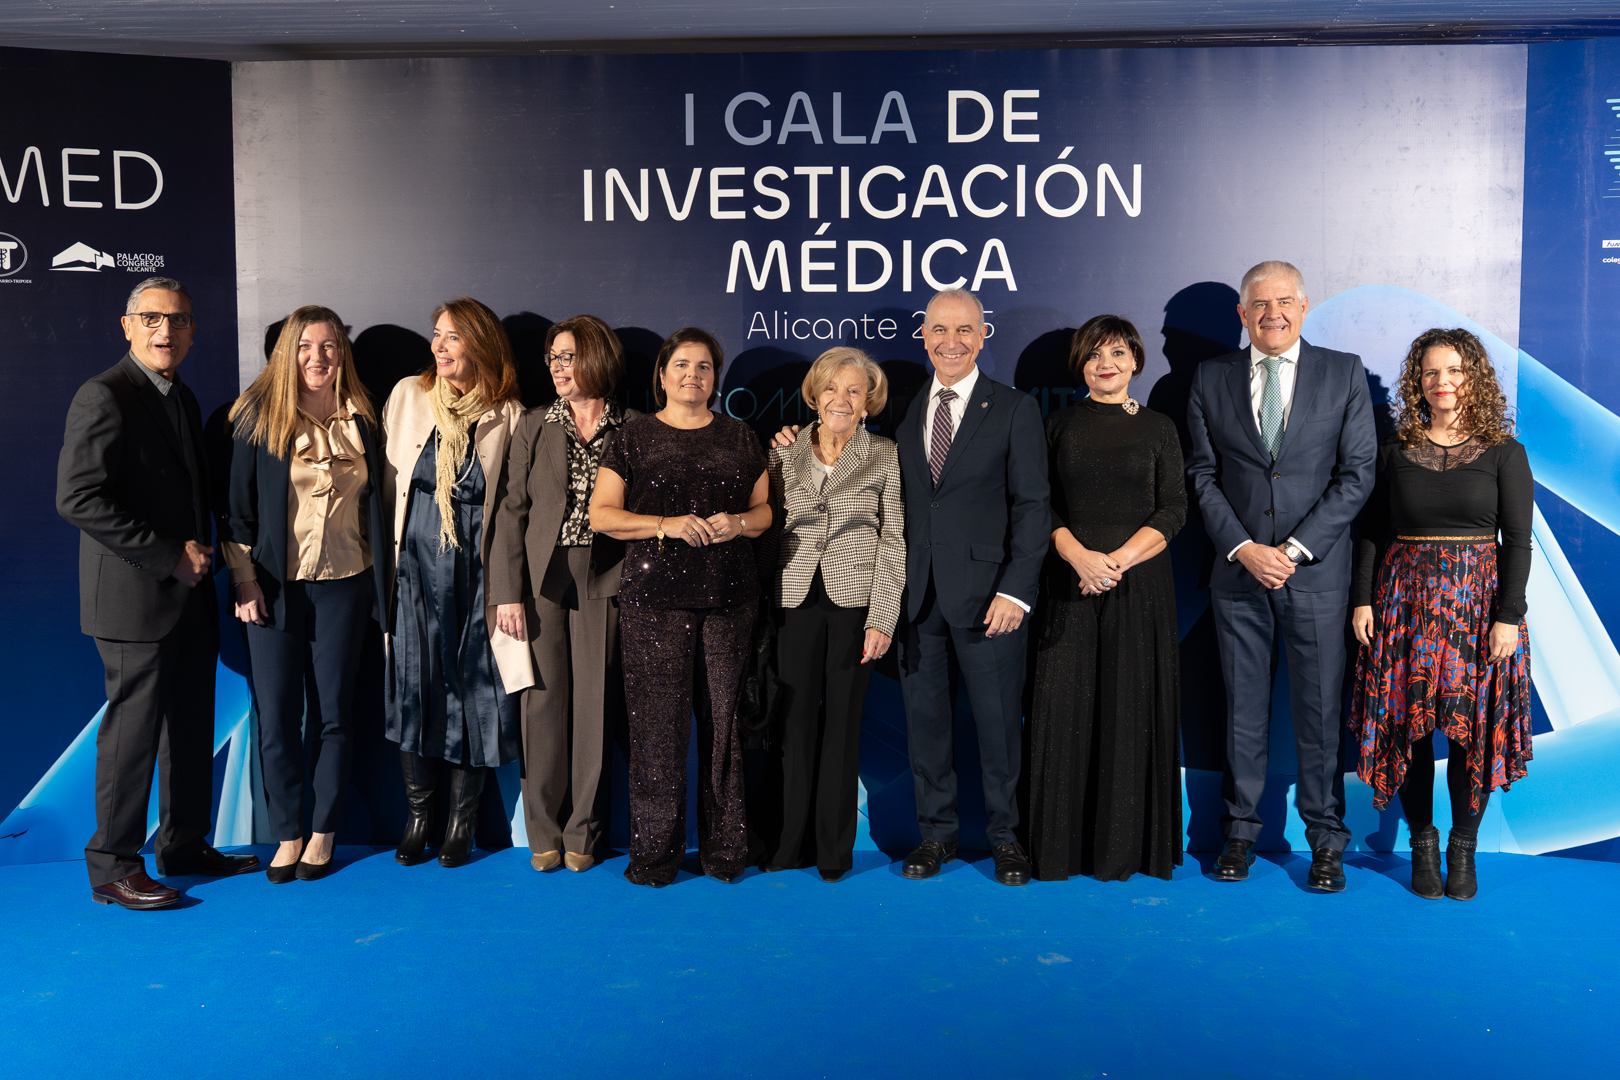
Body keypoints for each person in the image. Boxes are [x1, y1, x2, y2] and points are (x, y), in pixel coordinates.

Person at [57, 276, 259, 910]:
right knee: (133, 736)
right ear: (127, 326)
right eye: (151, 318)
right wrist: (170, 555)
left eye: (178, 320)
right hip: (134, 600)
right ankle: (112, 867)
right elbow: (78, 498)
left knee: (191, 728)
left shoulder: (180, 394)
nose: (164, 330)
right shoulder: (104, 395)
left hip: (188, 599)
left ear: (193, 330)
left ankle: (185, 844)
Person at [1186, 260, 1377, 891]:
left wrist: (1293, 550)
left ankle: (1326, 841)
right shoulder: (1210, 377)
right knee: (1241, 711)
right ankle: (1240, 833)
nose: (1273, 314)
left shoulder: (1343, 372)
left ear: (1303, 306)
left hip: (1316, 576)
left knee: (1320, 715)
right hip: (1239, 576)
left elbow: (1357, 475)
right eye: (1260, 304)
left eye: (1285, 301)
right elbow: (1202, 475)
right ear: (1243, 314)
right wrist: (1243, 547)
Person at [1350, 328, 1533, 901]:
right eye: (1431, 372)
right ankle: (1423, 845)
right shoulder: (1395, 450)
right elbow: (1371, 533)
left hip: (1478, 611)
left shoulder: (1504, 452)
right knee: (1409, 731)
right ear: (1418, 382)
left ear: (1473, 377)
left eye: (1454, 370)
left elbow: (1518, 541)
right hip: (1403, 608)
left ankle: (1463, 848)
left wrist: (1509, 615)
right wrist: (1362, 599)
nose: (1442, 381)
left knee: (1470, 735)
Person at [590, 327, 771, 887]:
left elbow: (765, 513)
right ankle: (654, 857)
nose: (693, 375)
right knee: (656, 733)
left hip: (729, 599)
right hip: (654, 603)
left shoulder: (740, 436)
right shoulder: (633, 437)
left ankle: (725, 853)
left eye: (704, 367)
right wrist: (664, 524)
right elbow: (602, 514)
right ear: (663, 375)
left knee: (724, 728)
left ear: (715, 379)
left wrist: (738, 522)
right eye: (683, 365)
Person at [223, 306, 388, 883]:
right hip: (273, 589)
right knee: (277, 718)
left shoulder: (366, 419)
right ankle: (287, 833)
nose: (318, 358)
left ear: (343, 353)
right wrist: (244, 579)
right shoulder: (258, 418)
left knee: (334, 717)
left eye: (329, 346)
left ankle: (323, 832)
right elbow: (236, 511)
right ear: (286, 353)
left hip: (347, 586)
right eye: (305, 347)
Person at [1027, 316, 1187, 882]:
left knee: (1129, 708)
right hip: (1068, 585)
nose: (1106, 364)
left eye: (1117, 352)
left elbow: (1174, 508)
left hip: (1138, 587)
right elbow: (1038, 504)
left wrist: (1115, 561)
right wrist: (1080, 558)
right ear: (1081, 365)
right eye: (1095, 354)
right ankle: (1059, 852)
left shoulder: (1160, 428)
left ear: (1136, 361)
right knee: (1063, 711)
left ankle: (1125, 851)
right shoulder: (1056, 425)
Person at [381, 297, 533, 868]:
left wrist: (507, 587)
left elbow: (513, 510)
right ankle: (419, 816)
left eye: (452, 336)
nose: (438, 346)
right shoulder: (408, 395)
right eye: (436, 334)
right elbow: (386, 487)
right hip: (413, 571)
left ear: (481, 344)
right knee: (414, 688)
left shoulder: (509, 415)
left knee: (475, 692)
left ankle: (461, 822)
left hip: (477, 576)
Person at [489, 315, 637, 873]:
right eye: (552, 357)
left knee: (596, 705)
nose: (557, 367)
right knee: (542, 703)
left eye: (568, 356)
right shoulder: (533, 425)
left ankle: (584, 833)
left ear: (597, 358)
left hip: (608, 574)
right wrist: (507, 592)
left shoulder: (635, 427)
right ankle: (543, 832)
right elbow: (510, 512)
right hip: (541, 576)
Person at [759, 347, 904, 882]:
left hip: (855, 604)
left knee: (842, 726)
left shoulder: (885, 454)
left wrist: (882, 618)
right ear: (815, 396)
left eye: (853, 391)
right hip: (792, 598)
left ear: (868, 403)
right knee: (793, 724)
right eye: (831, 389)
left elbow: (894, 540)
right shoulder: (783, 450)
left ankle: (834, 852)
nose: (840, 399)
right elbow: (767, 525)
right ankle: (788, 843)